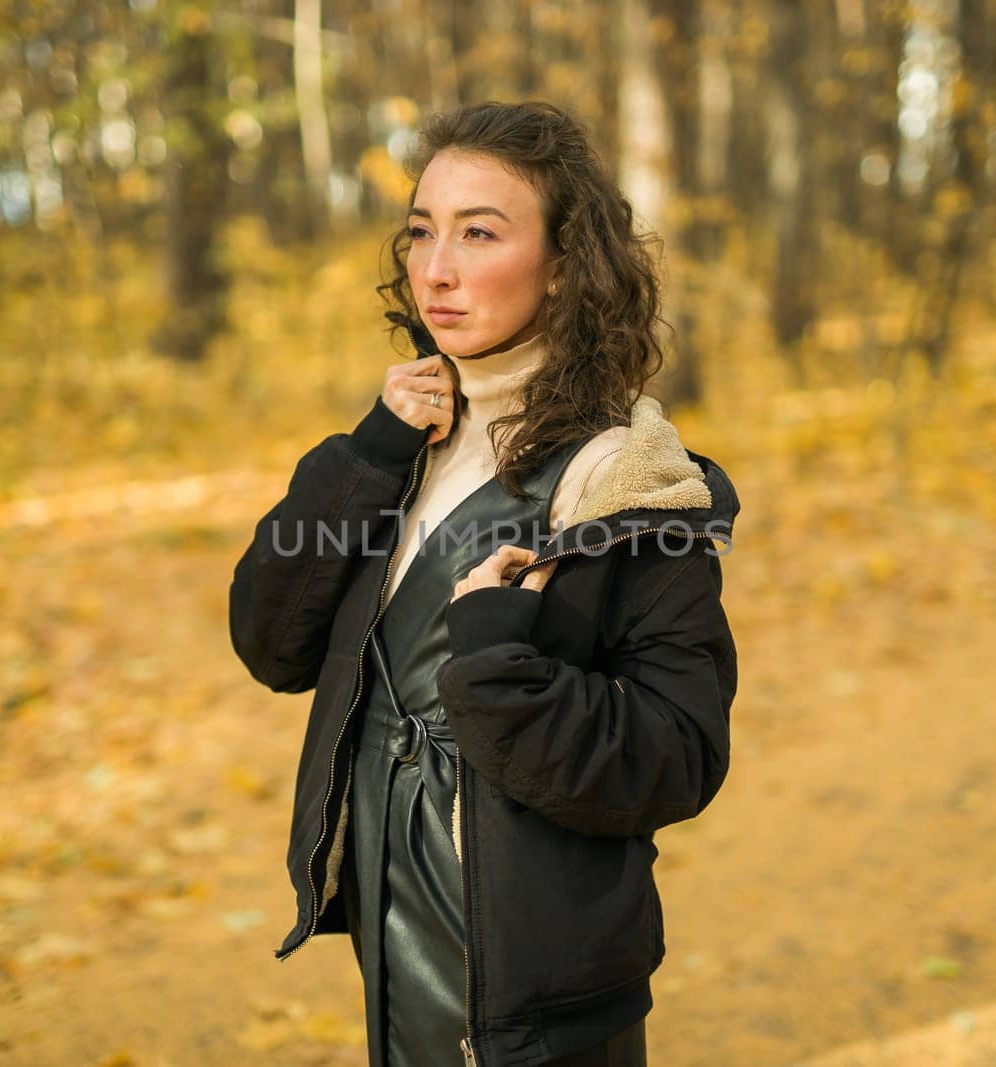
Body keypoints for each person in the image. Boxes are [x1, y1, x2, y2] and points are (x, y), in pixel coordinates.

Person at [228, 101, 739, 1067]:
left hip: (531, 965)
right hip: (393, 907)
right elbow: (270, 642)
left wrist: (499, 664)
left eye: (480, 233)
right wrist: (370, 455)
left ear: (562, 265)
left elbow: (679, 752)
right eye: (422, 231)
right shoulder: (408, 439)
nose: (436, 269)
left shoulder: (622, 477)